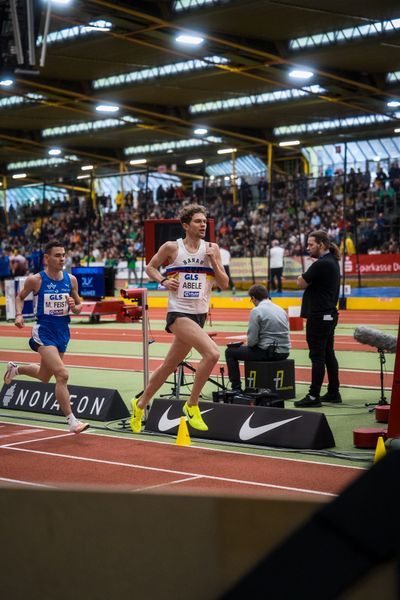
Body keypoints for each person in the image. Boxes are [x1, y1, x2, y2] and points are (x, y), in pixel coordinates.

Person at [130, 204, 229, 433]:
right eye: (197, 221)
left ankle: (140, 404)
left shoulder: (211, 248)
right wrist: (163, 281)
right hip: (178, 314)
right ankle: (192, 405)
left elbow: (224, 284)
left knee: (168, 366)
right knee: (212, 353)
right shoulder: (172, 248)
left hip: (199, 315)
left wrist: (214, 261)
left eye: (204, 221)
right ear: (186, 225)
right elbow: (150, 267)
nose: (203, 224)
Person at [3, 240, 89, 434]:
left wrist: (75, 307)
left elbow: (78, 305)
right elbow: (19, 297)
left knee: (44, 376)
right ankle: (72, 421)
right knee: (62, 374)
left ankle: (15, 370)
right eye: (58, 255)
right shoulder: (36, 280)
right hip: (44, 331)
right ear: (47, 258)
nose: (62, 258)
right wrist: (18, 314)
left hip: (62, 331)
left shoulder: (71, 280)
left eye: (63, 254)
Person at [294, 230, 342, 407]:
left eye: (311, 244)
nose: (308, 248)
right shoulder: (332, 261)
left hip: (319, 316)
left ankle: (314, 396)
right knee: (328, 354)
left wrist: (302, 276)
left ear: (322, 245)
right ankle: (333, 392)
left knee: (317, 356)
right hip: (328, 314)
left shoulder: (322, 264)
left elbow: (300, 282)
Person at [225, 284, 290, 391]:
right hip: (284, 352)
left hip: (269, 353)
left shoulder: (257, 311)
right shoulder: (281, 309)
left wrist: (247, 345)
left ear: (253, 298)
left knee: (230, 352)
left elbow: (252, 341)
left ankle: (236, 388)